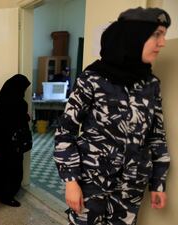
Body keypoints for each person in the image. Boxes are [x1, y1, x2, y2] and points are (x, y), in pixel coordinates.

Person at [53, 7, 171, 225]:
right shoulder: (92, 79)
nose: (162, 43)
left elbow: (157, 135)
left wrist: (158, 182)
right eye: (156, 34)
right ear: (133, 37)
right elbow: (64, 132)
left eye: (163, 35)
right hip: (91, 184)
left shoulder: (151, 84)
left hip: (131, 188)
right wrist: (70, 181)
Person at [0, 74, 31, 207]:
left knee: (4, 168)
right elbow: (16, 121)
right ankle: (7, 196)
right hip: (13, 143)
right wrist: (25, 117)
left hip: (3, 140)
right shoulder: (18, 102)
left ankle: (2, 192)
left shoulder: (4, 99)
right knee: (13, 168)